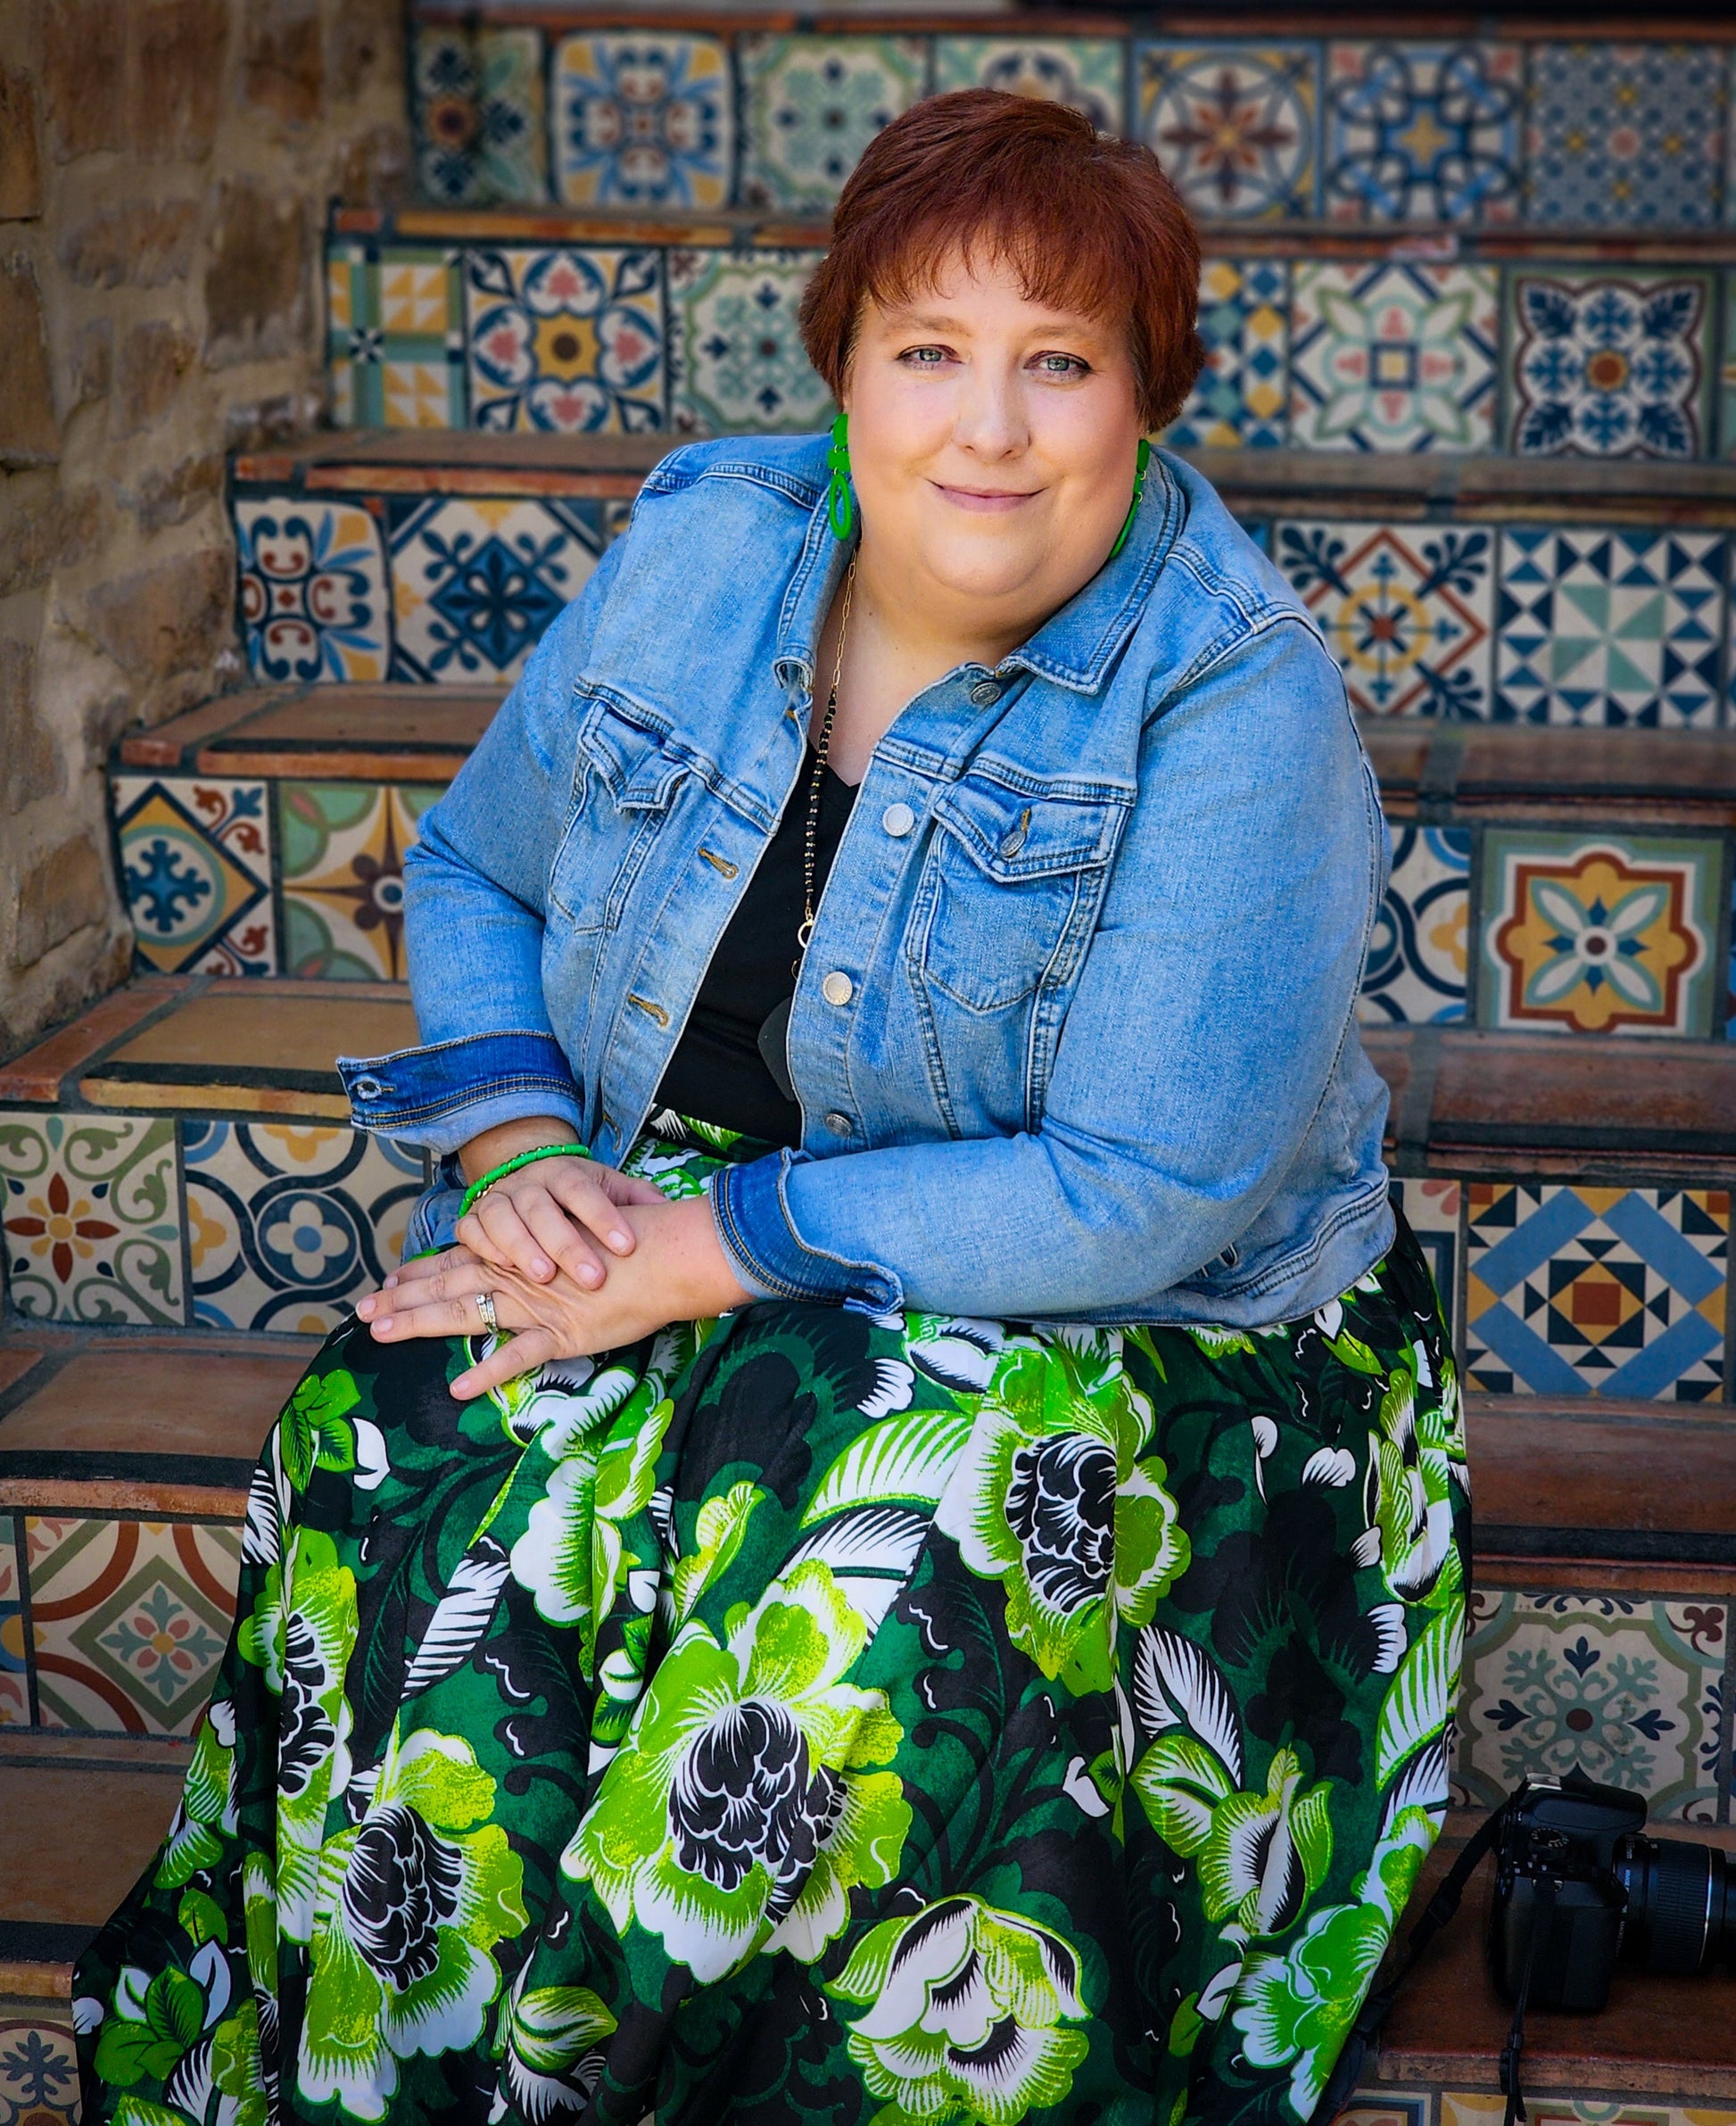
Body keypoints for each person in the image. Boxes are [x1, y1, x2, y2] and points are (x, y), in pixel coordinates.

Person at [76, 89, 1469, 2126]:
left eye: (1058, 365)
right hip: (689, 1209)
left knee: (880, 1578)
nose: (986, 428)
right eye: (928, 351)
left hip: (1147, 1313)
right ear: (843, 369)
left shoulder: (1228, 690)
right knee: (406, 1434)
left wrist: (700, 1255)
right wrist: (528, 1158)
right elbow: (475, 871)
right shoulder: (707, 546)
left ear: (1145, 407)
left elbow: (1145, 1185)